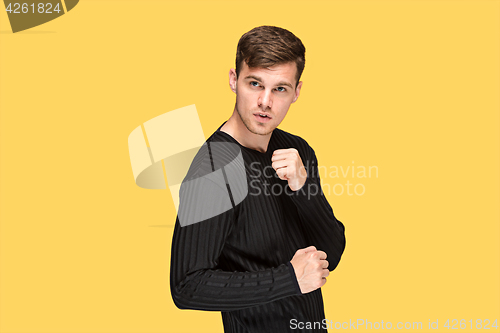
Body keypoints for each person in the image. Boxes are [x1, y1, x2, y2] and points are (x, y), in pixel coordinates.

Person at [170, 25, 346, 332]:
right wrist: (288, 279)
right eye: (255, 84)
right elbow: (187, 285)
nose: (265, 101)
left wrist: (304, 189)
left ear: (296, 92)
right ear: (233, 80)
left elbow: (331, 254)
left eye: (280, 88)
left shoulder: (297, 150)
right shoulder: (213, 170)